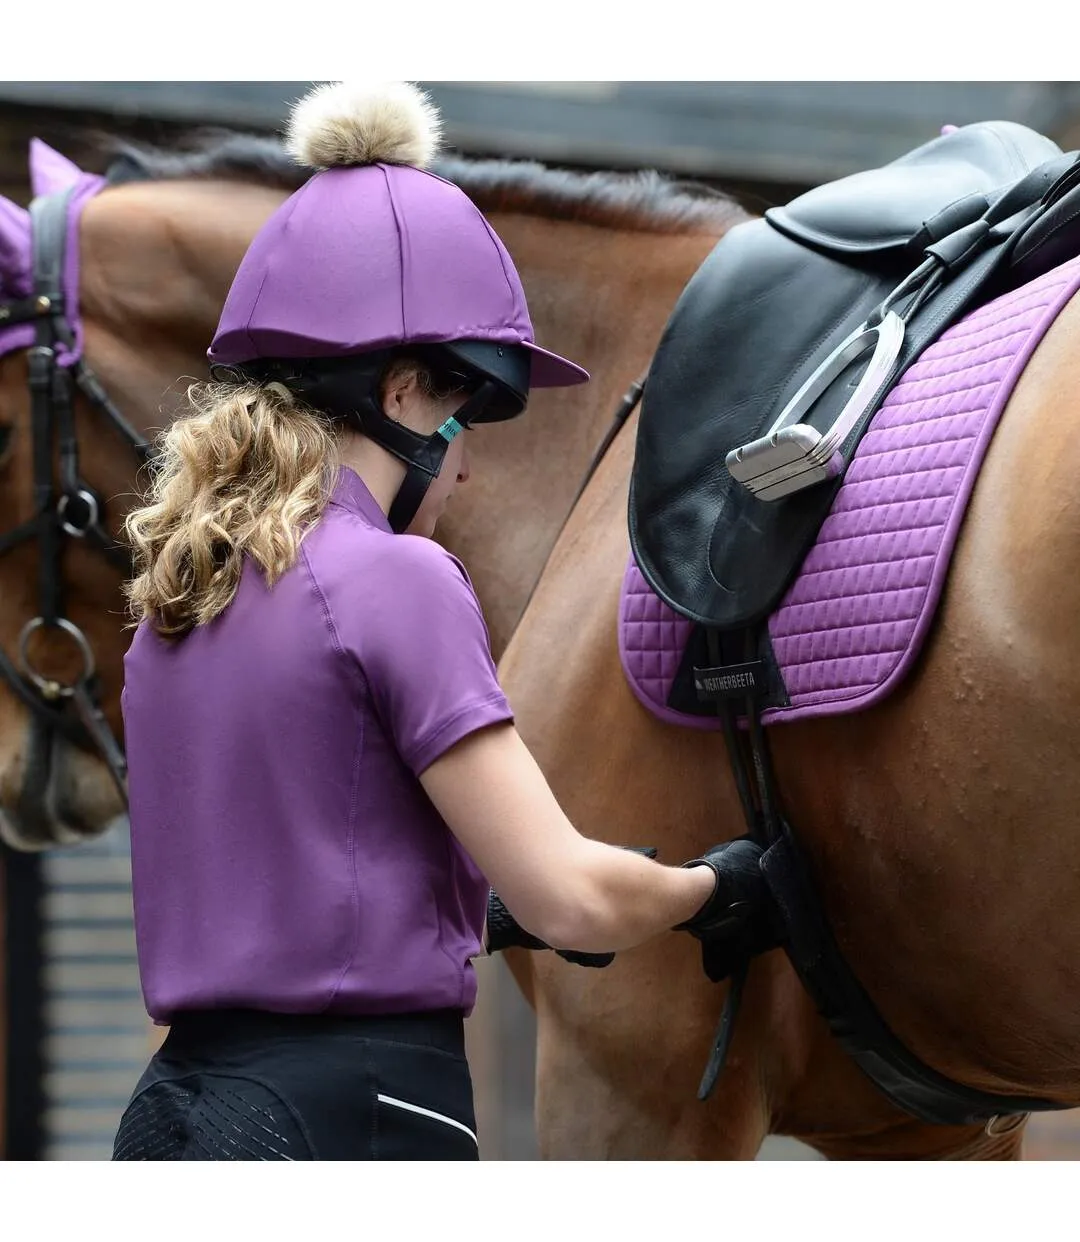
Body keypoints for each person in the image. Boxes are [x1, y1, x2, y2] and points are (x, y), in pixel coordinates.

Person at [111, 80, 736, 1162]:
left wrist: (467, 914)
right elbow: (579, 900)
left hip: (180, 1112)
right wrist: (719, 886)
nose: (467, 465)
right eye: (463, 414)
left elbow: (311, 860)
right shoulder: (400, 577)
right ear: (402, 391)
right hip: (362, 1113)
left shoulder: (176, 603)